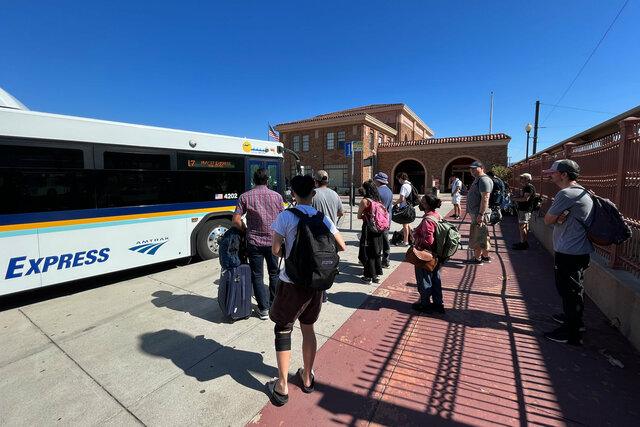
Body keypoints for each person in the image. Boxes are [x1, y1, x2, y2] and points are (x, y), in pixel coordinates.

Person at [267, 175, 346, 405]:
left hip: (291, 284)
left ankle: (281, 386)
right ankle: (307, 377)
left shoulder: (285, 216)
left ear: (292, 194)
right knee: (308, 328)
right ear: (313, 194)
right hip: (316, 284)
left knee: (283, 329)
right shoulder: (323, 218)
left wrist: (292, 256)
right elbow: (341, 246)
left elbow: (275, 250)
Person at [543, 159, 593, 345]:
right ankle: (575, 322)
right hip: (579, 250)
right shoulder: (582, 191)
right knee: (575, 289)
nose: (551, 175)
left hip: (569, 251)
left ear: (564, 174)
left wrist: (556, 217)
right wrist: (559, 217)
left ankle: (571, 333)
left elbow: (548, 220)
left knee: (568, 291)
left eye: (554, 173)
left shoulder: (566, 194)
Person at [232, 168, 284, 320]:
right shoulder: (277, 197)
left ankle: (263, 310)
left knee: (257, 275)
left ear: (253, 181)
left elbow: (236, 220)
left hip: (253, 242)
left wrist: (246, 230)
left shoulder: (245, 197)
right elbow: (283, 219)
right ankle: (274, 304)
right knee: (274, 273)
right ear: (268, 181)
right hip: (273, 241)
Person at [311, 170, 345, 301]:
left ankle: (319, 294)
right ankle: (324, 293)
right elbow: (341, 211)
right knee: (327, 263)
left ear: (316, 181)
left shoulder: (313, 194)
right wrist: (331, 215)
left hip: (316, 234)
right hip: (331, 234)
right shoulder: (334, 194)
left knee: (316, 264)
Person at [411, 194, 446, 314]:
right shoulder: (436, 215)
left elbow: (428, 240)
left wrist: (415, 235)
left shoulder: (427, 220)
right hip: (437, 253)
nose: (420, 203)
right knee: (436, 278)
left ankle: (425, 304)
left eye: (422, 201)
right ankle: (438, 303)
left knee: (424, 278)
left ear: (426, 205)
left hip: (427, 254)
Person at [357, 180, 384, 284]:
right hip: (379, 229)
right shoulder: (378, 200)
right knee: (376, 251)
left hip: (368, 228)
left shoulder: (365, 201)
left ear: (366, 189)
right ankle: (376, 276)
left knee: (367, 251)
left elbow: (359, 216)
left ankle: (368, 276)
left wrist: (365, 215)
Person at [466, 161, 493, 265]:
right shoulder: (478, 180)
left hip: (479, 213)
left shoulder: (484, 180)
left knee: (479, 235)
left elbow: (485, 197)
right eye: (471, 168)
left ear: (481, 168)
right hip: (477, 212)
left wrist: (481, 214)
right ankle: (485, 256)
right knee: (483, 233)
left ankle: (478, 259)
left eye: (474, 168)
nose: (472, 170)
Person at [511, 173, 536, 250]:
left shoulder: (528, 187)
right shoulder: (526, 187)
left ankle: (523, 243)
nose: (520, 180)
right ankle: (524, 242)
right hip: (525, 209)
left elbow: (525, 199)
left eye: (522, 179)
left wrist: (513, 199)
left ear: (528, 180)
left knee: (522, 226)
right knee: (525, 226)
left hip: (525, 209)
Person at [373, 172, 393, 268]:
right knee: (386, 241)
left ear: (378, 181)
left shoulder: (376, 191)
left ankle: (375, 261)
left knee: (376, 242)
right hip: (387, 220)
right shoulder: (389, 191)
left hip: (377, 220)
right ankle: (386, 260)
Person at [393, 172, 413, 246]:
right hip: (409, 206)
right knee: (407, 224)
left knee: (405, 225)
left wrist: (394, 203)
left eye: (398, 179)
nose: (398, 181)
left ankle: (405, 242)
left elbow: (401, 198)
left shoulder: (404, 186)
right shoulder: (410, 185)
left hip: (404, 207)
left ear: (401, 178)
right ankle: (414, 239)